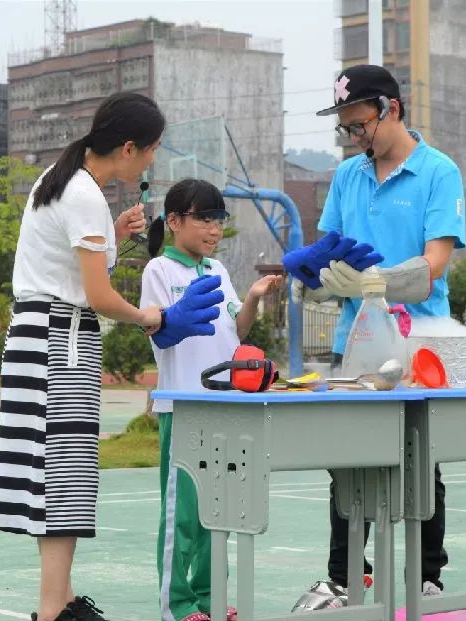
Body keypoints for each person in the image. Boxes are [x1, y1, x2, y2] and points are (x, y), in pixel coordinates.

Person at [289, 64, 466, 608]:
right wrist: (315, 280)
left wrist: (380, 281)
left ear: (390, 108)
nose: (353, 138)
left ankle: (426, 576)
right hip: (356, 338)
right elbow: (328, 251)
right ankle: (345, 577)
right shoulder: (348, 176)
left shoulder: (439, 172)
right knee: (347, 460)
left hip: (420, 341)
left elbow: (435, 263)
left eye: (358, 125)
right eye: (344, 129)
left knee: (420, 459)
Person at [0, 92, 167, 621]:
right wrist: (148, 316)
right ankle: (52, 611)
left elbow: (63, 264)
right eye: (152, 149)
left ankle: (60, 602)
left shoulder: (61, 178)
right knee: (62, 479)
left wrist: (114, 233)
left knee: (60, 478)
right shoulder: (84, 195)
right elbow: (97, 294)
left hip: (42, 335)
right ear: (128, 147)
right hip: (57, 340)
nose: (153, 160)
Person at [140, 179, 283, 621]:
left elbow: (235, 333)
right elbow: (157, 331)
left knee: (216, 512)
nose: (214, 228)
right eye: (204, 218)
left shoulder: (217, 272)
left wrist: (255, 299)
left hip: (225, 410)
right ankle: (177, 604)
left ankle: (207, 599)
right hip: (184, 410)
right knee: (181, 516)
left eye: (219, 219)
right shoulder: (159, 272)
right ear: (174, 222)